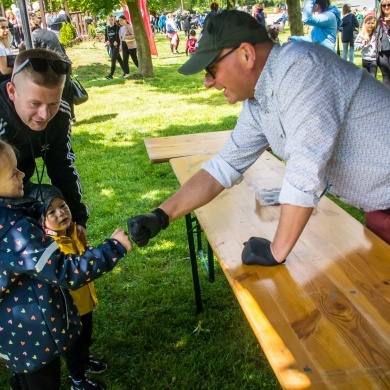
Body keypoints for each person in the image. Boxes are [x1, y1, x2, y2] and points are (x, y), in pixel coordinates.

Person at [127, 10, 390, 268]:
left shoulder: (302, 69)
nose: (207, 82)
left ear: (246, 54)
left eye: (211, 69)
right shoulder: (260, 100)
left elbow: (305, 171)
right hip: (380, 205)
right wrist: (160, 215)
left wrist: (276, 251)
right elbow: (224, 167)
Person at [0, 139, 131, 390]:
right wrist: (113, 247)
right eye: (13, 173)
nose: (22, 174)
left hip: (14, 336)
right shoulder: (15, 231)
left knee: (23, 381)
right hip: (30, 336)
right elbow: (64, 270)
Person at [0, 48, 89, 247]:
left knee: (51, 197)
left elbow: (62, 167)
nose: (45, 115)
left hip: (20, 185)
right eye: (35, 103)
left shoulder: (61, 114)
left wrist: (78, 221)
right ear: (12, 91)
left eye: (53, 104)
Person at [38, 186, 107, 390]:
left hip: (84, 304)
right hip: (69, 312)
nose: (61, 213)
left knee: (86, 337)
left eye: (63, 206)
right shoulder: (50, 246)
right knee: (74, 347)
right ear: (42, 221)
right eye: (52, 212)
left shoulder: (73, 232)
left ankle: (85, 362)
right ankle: (78, 381)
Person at [31, 21, 76, 122]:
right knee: (67, 92)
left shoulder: (34, 36)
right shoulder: (50, 33)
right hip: (65, 62)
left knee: (56, 93)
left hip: (54, 65)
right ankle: (71, 117)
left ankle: (60, 119)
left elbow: (32, 54)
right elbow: (62, 48)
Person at [354, 11, 377, 76]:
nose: (370, 25)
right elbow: (356, 47)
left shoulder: (376, 34)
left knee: (372, 77)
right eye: (368, 23)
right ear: (365, 24)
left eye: (372, 23)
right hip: (365, 59)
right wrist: (363, 44)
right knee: (366, 78)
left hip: (374, 59)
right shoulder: (361, 35)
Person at [104, 15, 125, 80]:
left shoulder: (117, 27)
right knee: (120, 60)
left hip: (116, 46)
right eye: (109, 20)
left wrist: (117, 41)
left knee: (113, 60)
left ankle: (111, 75)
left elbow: (120, 36)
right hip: (111, 46)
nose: (111, 21)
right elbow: (106, 37)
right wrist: (107, 41)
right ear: (108, 20)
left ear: (114, 20)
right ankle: (126, 72)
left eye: (112, 20)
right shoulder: (107, 28)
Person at [375, 0, 390, 87]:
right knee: (386, 75)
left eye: (389, 5)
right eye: (384, 5)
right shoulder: (378, 20)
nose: (387, 7)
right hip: (382, 50)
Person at [0, 17, 14, 82]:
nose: (6, 30)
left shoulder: (4, 45)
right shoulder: (0, 47)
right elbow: (4, 70)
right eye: (2, 28)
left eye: (7, 27)